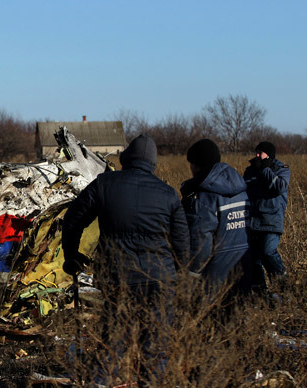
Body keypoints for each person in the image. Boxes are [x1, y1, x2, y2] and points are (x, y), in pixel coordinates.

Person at [62, 133, 189, 384]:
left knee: (113, 341)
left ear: (126, 158)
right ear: (152, 164)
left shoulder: (104, 184)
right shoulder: (168, 194)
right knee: (155, 347)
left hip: (119, 279)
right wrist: (176, 274)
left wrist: (72, 256)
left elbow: (72, 220)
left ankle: (99, 381)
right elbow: (183, 245)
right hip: (160, 281)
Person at [181, 139, 252, 297]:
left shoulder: (204, 198)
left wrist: (191, 275)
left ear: (196, 165)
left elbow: (201, 243)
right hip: (246, 268)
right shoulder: (241, 189)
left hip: (216, 279)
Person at [243, 141, 290, 289]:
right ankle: (259, 292)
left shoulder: (281, 169)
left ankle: (282, 283)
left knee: (268, 252)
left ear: (268, 154)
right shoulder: (250, 170)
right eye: (256, 152)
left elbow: (279, 187)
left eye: (260, 152)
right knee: (253, 259)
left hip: (271, 220)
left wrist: (264, 170)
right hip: (252, 221)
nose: (257, 155)